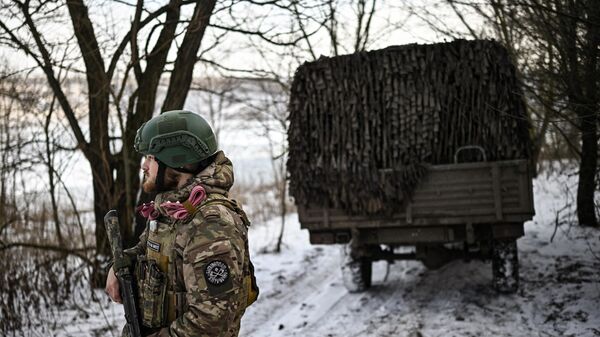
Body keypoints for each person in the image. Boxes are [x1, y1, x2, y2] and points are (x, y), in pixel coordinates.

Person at [105, 110, 258, 337]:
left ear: (175, 161)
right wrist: (120, 265)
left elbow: (212, 321)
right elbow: (149, 251)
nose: (144, 166)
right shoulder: (174, 208)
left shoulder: (211, 224)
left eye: (150, 158)